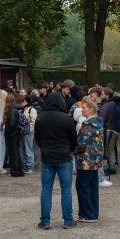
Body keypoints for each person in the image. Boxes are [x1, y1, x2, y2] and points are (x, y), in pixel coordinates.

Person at [34, 92, 77, 229]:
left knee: (46, 189)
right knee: (66, 189)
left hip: (47, 156)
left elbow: (38, 139)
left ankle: (45, 221)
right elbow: (73, 139)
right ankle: (68, 220)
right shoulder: (67, 118)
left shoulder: (40, 118)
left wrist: (45, 148)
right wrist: (69, 150)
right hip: (64, 156)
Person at [75, 97, 104, 222]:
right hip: (95, 159)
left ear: (91, 109)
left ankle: (87, 214)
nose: (81, 110)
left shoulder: (88, 124)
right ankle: (93, 213)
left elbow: (81, 142)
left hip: (86, 160)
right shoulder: (99, 122)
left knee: (82, 186)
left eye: (84, 108)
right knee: (92, 186)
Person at [97, 86, 117, 187]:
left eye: (103, 94)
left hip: (106, 130)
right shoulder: (113, 103)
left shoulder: (106, 105)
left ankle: (108, 169)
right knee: (111, 150)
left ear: (107, 95)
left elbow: (102, 119)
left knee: (106, 151)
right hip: (112, 129)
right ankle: (112, 168)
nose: (101, 96)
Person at [4, 93, 25, 177]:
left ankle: (15, 171)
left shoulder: (11, 110)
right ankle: (19, 170)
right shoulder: (16, 109)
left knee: (14, 153)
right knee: (16, 152)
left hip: (13, 134)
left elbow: (12, 124)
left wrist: (7, 131)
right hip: (17, 133)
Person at [20, 94, 38, 174]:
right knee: (23, 150)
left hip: (28, 133)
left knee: (28, 149)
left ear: (25, 101)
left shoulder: (32, 110)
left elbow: (33, 122)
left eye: (22, 101)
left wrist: (29, 130)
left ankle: (30, 166)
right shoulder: (24, 109)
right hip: (23, 132)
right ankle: (25, 166)